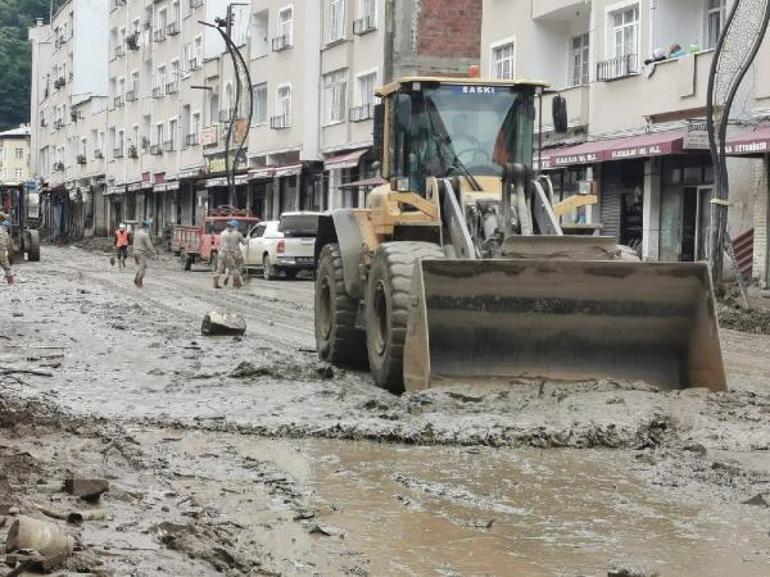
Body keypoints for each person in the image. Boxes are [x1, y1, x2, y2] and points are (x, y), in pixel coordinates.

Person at [213, 219, 244, 289]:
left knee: (219, 269)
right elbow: (244, 243)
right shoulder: (238, 234)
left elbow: (219, 244)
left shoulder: (222, 233)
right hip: (230, 254)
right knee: (235, 268)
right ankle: (236, 284)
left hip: (221, 253)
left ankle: (215, 284)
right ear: (235, 227)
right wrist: (248, 239)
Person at [132, 220, 156, 288]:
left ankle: (137, 280)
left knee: (139, 268)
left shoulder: (136, 233)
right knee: (143, 270)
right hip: (141, 253)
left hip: (134, 252)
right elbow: (149, 245)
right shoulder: (145, 235)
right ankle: (138, 284)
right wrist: (154, 252)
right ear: (146, 227)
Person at [0, 220, 13, 285]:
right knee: (6, 266)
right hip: (2, 251)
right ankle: (10, 282)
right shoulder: (5, 233)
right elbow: (8, 244)